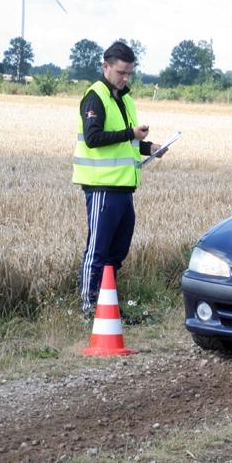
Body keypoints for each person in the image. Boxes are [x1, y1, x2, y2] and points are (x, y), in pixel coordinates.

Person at [72, 41, 164, 315]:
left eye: (129, 73)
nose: (125, 78)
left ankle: (106, 302)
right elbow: (93, 138)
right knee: (98, 250)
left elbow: (127, 143)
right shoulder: (95, 96)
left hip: (124, 187)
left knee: (118, 250)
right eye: (121, 72)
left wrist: (150, 148)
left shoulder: (125, 99)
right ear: (106, 67)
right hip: (102, 185)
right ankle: (88, 306)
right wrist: (131, 134)